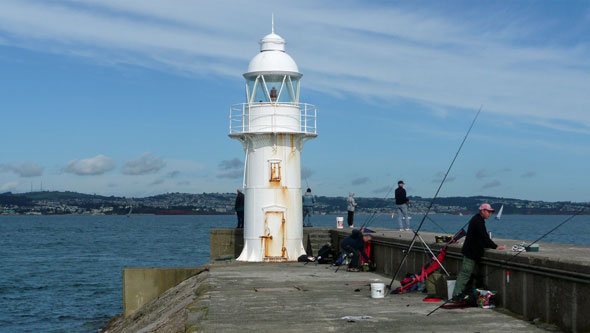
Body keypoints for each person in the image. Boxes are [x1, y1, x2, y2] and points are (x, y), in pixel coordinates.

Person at [452, 203, 506, 300]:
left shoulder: (477, 219)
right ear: (482, 211)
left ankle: (461, 294)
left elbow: (480, 238)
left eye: (491, 212)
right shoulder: (478, 222)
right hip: (470, 253)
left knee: (468, 275)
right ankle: (456, 295)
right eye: (488, 211)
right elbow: (484, 237)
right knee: (464, 275)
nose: (490, 214)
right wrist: (495, 247)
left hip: (471, 252)